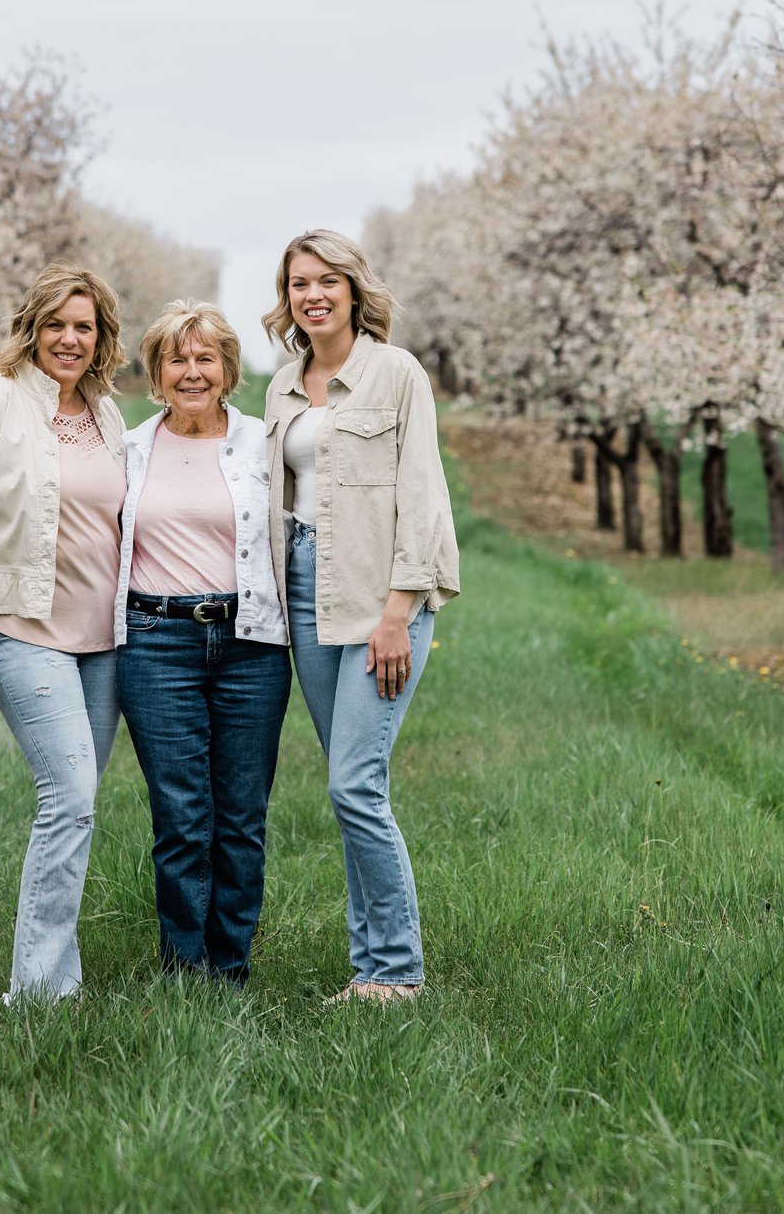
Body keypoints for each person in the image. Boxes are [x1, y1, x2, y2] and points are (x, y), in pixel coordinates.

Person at [262, 228, 459, 1003]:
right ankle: (368, 965)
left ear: (353, 288)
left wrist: (398, 610)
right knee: (351, 782)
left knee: (354, 782)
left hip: (383, 596)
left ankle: (397, 968)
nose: (312, 294)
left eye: (326, 280)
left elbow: (424, 494)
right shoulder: (282, 384)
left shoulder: (395, 372)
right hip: (307, 592)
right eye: (298, 282)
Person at [0, 263, 129, 1002]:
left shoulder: (107, 414)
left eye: (84, 326)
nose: (69, 339)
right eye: (57, 324)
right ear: (31, 329)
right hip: (23, 632)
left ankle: (56, 972)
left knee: (78, 805)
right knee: (68, 797)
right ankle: (39, 991)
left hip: (104, 643)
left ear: (100, 337)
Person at [110, 301, 288, 984]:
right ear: (156, 372)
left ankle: (230, 967)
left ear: (227, 369)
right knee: (183, 816)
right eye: (177, 359)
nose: (192, 372)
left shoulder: (262, 443)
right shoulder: (128, 449)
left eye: (205, 358)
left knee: (241, 815)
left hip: (251, 644)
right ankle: (184, 969)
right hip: (156, 642)